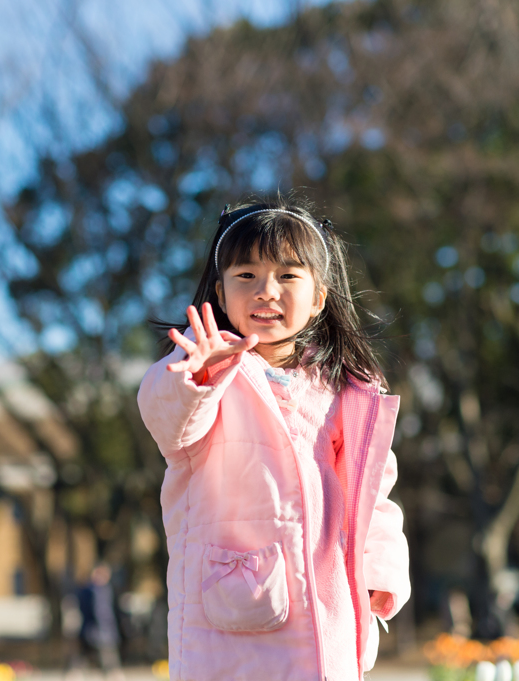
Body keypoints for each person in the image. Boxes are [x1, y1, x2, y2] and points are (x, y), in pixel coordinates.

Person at [137, 196, 411, 681]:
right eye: (246, 276)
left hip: (329, 606)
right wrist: (195, 377)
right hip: (235, 606)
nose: (266, 291)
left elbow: (373, 494)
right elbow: (171, 425)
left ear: (319, 299)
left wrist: (379, 572)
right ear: (220, 295)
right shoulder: (208, 371)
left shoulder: (345, 389)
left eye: (288, 276)